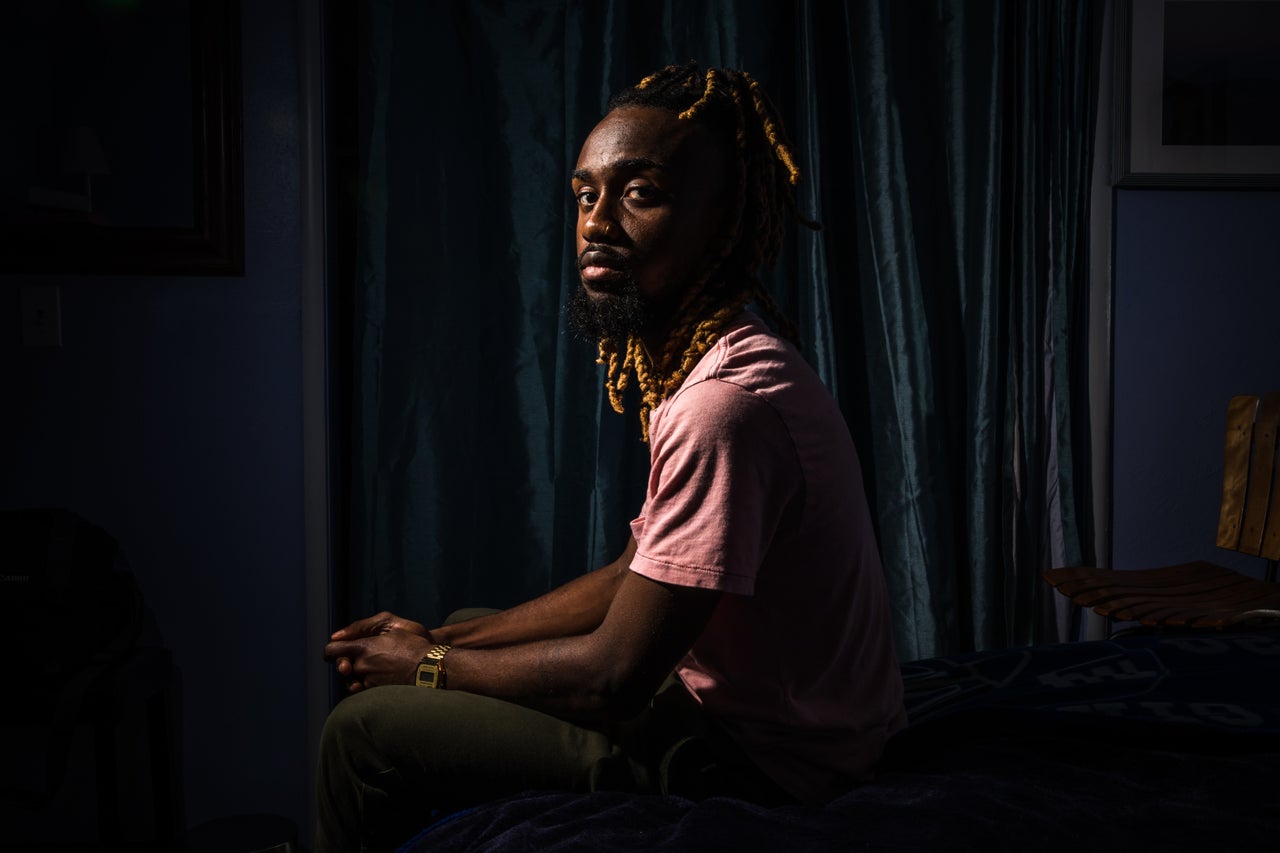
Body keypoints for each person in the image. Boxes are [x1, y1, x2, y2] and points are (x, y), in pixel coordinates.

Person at [316, 63, 905, 852]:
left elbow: (613, 676)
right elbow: (633, 572)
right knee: (463, 622)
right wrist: (440, 642)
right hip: (740, 710)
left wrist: (420, 666)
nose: (596, 223)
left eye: (640, 192)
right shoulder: (705, 362)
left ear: (719, 217)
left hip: (770, 764)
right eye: (587, 193)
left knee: (359, 731)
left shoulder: (722, 408)